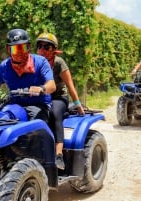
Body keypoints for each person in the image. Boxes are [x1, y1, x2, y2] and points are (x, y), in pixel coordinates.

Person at [0, 28, 56, 124]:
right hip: (14, 105)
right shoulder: (5, 66)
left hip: (39, 106)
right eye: (15, 49)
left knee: (34, 129)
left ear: (29, 47)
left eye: (22, 48)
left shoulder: (40, 62)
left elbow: (52, 86)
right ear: (8, 50)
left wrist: (41, 89)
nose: (19, 52)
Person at [36, 33, 85, 170]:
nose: (42, 50)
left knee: (54, 113)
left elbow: (70, 85)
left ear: (54, 50)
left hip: (58, 97)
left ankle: (58, 154)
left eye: (46, 47)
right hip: (41, 97)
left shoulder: (59, 63)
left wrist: (78, 105)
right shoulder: (35, 62)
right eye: (39, 46)